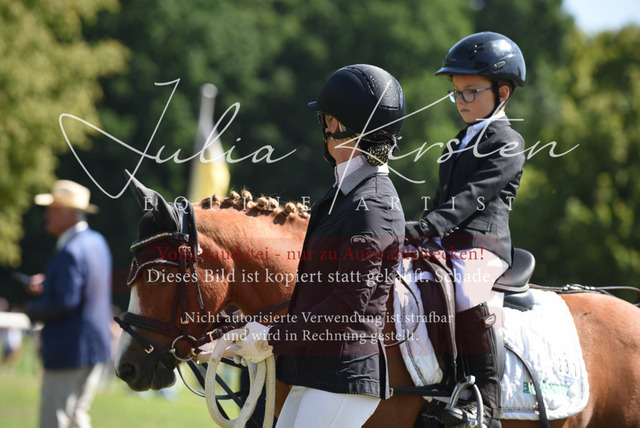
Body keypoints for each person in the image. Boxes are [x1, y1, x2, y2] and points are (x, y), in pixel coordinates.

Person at [227, 64, 406, 427]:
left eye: (326, 120)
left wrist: (273, 337)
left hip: (344, 375)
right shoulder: (344, 195)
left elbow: (348, 303)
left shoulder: (372, 204)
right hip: (316, 371)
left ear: (337, 125)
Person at [406, 32, 527, 428]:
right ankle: (436, 383)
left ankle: (485, 404)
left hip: (483, 246)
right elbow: (444, 200)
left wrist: (425, 227)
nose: (461, 100)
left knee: (465, 290)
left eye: (471, 92)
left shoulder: (508, 142)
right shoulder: (457, 143)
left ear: (502, 93)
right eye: (456, 92)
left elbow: (472, 198)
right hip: (448, 242)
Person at [26, 180, 112, 428]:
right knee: (77, 417)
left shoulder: (70, 251)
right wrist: (50, 284)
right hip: (94, 347)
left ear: (67, 212)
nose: (46, 214)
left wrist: (31, 310)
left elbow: (66, 302)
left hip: (69, 350)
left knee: (55, 419)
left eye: (52, 208)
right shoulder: (97, 242)